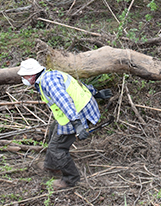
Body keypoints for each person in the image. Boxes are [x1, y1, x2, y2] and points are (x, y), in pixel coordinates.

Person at [18, 59, 111, 189]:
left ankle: (70, 179)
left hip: (78, 113)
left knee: (57, 149)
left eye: (24, 76)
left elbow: (65, 102)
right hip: (77, 110)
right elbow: (76, 85)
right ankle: (52, 166)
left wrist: (77, 124)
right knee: (53, 129)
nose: (23, 79)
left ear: (32, 75)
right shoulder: (50, 75)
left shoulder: (49, 82)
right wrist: (95, 93)